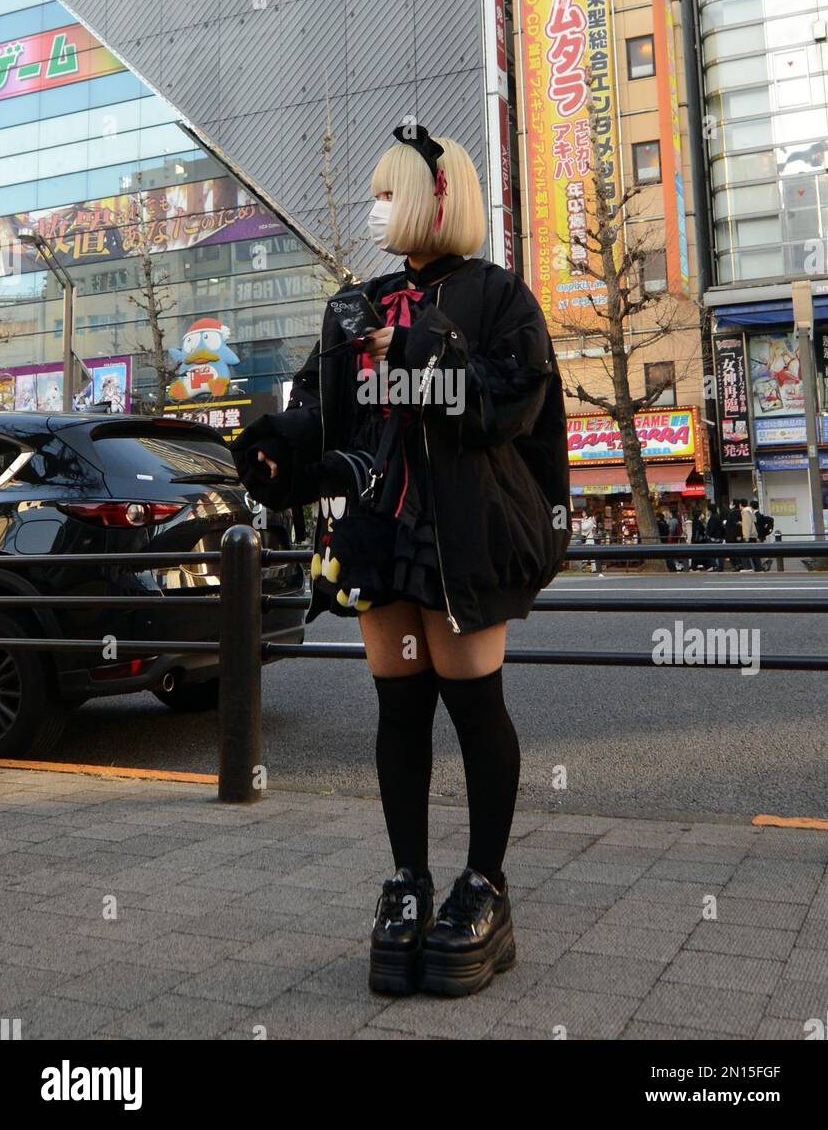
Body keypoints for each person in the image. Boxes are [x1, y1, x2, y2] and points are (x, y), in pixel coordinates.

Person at [232, 125, 570, 1000]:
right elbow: (325, 406)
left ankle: (484, 890)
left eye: (390, 193)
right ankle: (409, 883)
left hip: (461, 536)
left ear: (440, 199)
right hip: (379, 532)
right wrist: (280, 447)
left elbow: (506, 404)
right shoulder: (353, 305)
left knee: (474, 706)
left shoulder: (498, 298)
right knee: (399, 710)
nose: (375, 210)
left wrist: (424, 354)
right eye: (374, 194)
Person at [752, 499, 773, 572]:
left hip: (758, 536)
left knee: (759, 551)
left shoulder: (756, 515)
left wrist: (758, 537)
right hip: (761, 536)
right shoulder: (759, 514)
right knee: (760, 550)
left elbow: (757, 527)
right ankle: (766, 562)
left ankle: (766, 562)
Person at [741, 498, 761, 571]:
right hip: (753, 535)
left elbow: (747, 525)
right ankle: (758, 568)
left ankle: (748, 567)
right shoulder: (751, 513)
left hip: (749, 536)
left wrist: (746, 537)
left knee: (744, 552)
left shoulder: (745, 512)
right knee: (754, 552)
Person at [705, 501, 726, 572]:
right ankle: (719, 567)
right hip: (719, 538)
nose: (707, 511)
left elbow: (712, 529)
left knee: (714, 553)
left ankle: (716, 566)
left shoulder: (713, 518)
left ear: (710, 510)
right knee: (719, 553)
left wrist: (708, 534)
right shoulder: (717, 516)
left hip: (714, 539)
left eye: (707, 510)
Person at [724, 498, 744, 571]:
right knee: (735, 552)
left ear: (734, 504)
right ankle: (738, 565)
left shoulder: (734, 513)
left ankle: (737, 565)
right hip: (733, 537)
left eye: (731, 503)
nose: (730, 504)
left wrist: (738, 535)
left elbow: (737, 525)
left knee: (733, 552)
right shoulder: (737, 512)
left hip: (733, 537)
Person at [690, 504, 708, 570]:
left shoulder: (694, 521)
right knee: (700, 554)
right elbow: (701, 530)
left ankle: (694, 566)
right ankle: (703, 565)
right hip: (699, 541)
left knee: (695, 554)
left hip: (695, 540)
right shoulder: (698, 522)